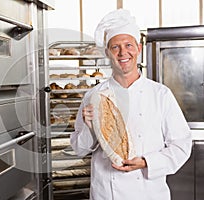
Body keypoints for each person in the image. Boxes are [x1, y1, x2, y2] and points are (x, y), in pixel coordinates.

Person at [70, 9, 192, 200]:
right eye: (115, 47)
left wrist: (146, 162)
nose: (122, 52)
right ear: (108, 53)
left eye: (128, 45)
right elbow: (79, 149)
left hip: (150, 193)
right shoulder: (94, 96)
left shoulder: (160, 94)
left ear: (138, 48)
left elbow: (181, 146)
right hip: (107, 193)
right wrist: (89, 129)